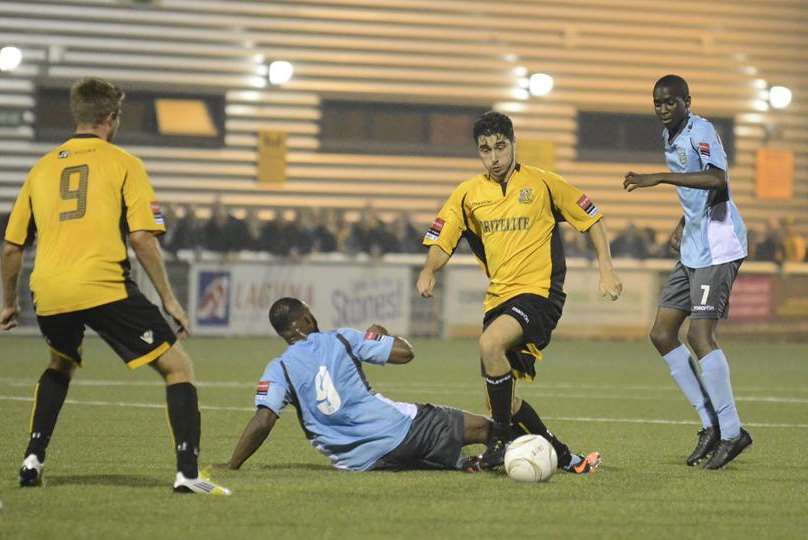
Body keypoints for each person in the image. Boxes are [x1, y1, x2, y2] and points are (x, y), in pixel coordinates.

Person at [0, 77, 230, 494]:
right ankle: (189, 474)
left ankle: (32, 459)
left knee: (60, 365)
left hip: (49, 289)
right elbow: (142, 237)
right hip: (104, 284)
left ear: (79, 115)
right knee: (178, 367)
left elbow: (12, 247)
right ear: (110, 118)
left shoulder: (41, 167)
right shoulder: (126, 163)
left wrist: (9, 303)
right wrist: (170, 300)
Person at [416, 111, 622, 470]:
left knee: (490, 344)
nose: (493, 157)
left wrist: (606, 268)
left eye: (500, 147)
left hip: (540, 295)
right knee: (506, 402)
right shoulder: (467, 195)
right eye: (485, 150)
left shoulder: (543, 183)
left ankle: (497, 442)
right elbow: (442, 238)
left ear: (514, 144)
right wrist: (429, 270)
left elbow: (592, 218)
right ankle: (565, 457)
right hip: (498, 299)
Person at [624, 74, 751, 469]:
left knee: (699, 333)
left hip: (719, 245)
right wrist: (682, 222)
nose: (662, 109)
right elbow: (697, 192)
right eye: (657, 103)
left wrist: (659, 177)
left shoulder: (702, 130)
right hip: (694, 244)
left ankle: (732, 432)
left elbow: (717, 179)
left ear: (686, 102)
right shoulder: (670, 137)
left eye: (670, 102)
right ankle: (709, 424)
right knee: (662, 333)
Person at [225, 297, 492, 472]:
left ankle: (454, 462)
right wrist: (375, 336)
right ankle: (527, 448)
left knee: (448, 461)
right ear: (307, 319)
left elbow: (263, 421)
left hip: (363, 462)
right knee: (484, 428)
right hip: (402, 431)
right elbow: (405, 353)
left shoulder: (278, 368)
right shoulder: (342, 338)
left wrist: (232, 465)